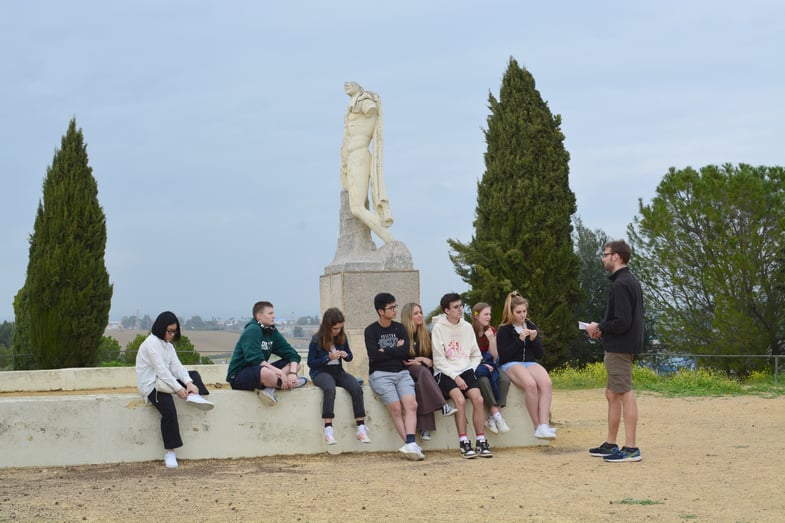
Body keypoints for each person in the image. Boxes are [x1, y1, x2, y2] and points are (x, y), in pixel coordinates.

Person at [586, 240, 644, 463]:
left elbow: (622, 322)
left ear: (616, 256)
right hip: (622, 345)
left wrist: (598, 328)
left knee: (624, 393)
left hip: (619, 348)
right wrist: (601, 328)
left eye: (605, 254)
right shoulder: (630, 281)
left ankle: (631, 448)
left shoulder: (621, 284)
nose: (603, 258)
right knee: (612, 393)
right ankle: (611, 443)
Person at [135, 311, 214, 469]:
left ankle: (193, 395)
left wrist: (189, 383)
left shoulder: (168, 346)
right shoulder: (151, 344)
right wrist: (178, 388)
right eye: (169, 331)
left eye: (174, 331)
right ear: (160, 328)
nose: (171, 334)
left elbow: (176, 367)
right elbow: (162, 371)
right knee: (169, 410)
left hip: (165, 380)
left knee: (194, 376)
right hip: (152, 385)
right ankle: (169, 452)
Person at [431, 293, 492, 459]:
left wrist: (469, 370)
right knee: (459, 400)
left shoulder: (466, 327)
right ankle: (464, 442)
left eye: (461, 306)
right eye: (456, 307)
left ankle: (481, 440)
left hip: (465, 369)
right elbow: (438, 360)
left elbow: (476, 354)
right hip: (445, 372)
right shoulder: (438, 329)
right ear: (446, 310)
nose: (460, 310)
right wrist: (455, 376)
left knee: (478, 399)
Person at [365, 292, 424, 460]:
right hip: (380, 375)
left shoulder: (400, 328)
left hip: (401, 372)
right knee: (396, 408)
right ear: (380, 311)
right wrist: (394, 350)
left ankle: (410, 444)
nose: (395, 310)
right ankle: (411, 444)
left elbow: (405, 352)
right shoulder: (370, 331)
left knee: (411, 405)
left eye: (395, 306)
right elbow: (374, 355)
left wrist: (386, 351)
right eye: (391, 308)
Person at [496, 291, 556, 440]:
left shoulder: (530, 325)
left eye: (524, 311)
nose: (522, 315)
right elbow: (504, 356)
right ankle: (536, 426)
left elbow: (539, 354)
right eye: (518, 312)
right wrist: (520, 340)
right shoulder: (504, 329)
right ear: (511, 312)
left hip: (529, 362)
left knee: (546, 383)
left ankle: (544, 425)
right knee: (530, 384)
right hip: (510, 363)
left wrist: (534, 339)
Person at [308, 308, 371, 446]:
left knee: (356, 387)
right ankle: (328, 429)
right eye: (334, 328)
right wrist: (327, 358)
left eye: (339, 328)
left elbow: (350, 356)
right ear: (327, 326)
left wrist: (345, 355)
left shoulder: (341, 337)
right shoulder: (316, 339)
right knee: (330, 388)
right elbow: (311, 362)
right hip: (320, 372)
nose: (337, 331)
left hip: (337, 371)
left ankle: (360, 427)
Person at [340, 81, 394, 243]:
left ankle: (390, 241)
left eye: (351, 83)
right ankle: (366, 243)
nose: (346, 84)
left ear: (360, 88)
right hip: (350, 159)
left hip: (360, 156)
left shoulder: (366, 102)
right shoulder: (352, 108)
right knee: (350, 199)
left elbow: (371, 109)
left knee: (356, 208)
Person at [226, 301, 307, 405]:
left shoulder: (271, 331)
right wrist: (279, 372)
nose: (273, 316)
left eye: (273, 313)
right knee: (266, 372)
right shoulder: (253, 330)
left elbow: (292, 354)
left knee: (295, 365)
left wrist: (292, 373)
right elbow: (255, 360)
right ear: (259, 316)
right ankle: (289, 384)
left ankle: (273, 386)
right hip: (238, 375)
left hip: (259, 370)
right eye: (270, 313)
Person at [400, 302, 457, 442]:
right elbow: (402, 358)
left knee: (421, 382)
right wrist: (418, 362)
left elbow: (433, 360)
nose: (420, 315)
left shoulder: (426, 334)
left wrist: (422, 359)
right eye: (415, 313)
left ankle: (425, 428)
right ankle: (443, 405)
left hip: (422, 372)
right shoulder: (401, 334)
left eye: (420, 312)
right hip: (405, 370)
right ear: (408, 317)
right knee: (422, 371)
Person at [470, 302, 511, 435]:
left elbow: (494, 357)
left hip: (490, 363)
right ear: (476, 315)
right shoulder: (470, 331)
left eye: (490, 314)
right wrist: (482, 363)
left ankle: (494, 415)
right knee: (483, 381)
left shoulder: (491, 330)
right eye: (486, 314)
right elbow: (468, 354)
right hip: (475, 365)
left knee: (504, 379)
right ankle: (496, 415)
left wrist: (492, 340)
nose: (489, 317)